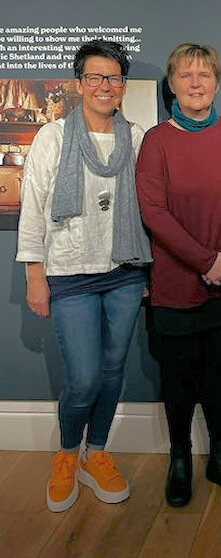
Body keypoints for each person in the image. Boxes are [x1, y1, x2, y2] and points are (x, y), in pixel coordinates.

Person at [16, 39, 152, 512]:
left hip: (124, 272)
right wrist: (36, 276)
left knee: (113, 372)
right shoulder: (52, 138)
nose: (104, 85)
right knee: (85, 377)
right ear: (78, 85)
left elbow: (148, 208)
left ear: (123, 85)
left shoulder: (136, 136)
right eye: (94, 76)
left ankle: (97, 453)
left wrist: (148, 266)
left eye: (113, 77)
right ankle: (67, 455)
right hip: (69, 273)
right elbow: (31, 210)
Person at [136, 43, 221, 507]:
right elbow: (154, 212)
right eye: (186, 75)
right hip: (175, 283)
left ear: (216, 83)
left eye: (204, 75)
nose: (195, 83)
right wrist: (205, 261)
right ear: (171, 84)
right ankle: (179, 458)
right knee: (177, 379)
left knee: (219, 373)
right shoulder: (156, 141)